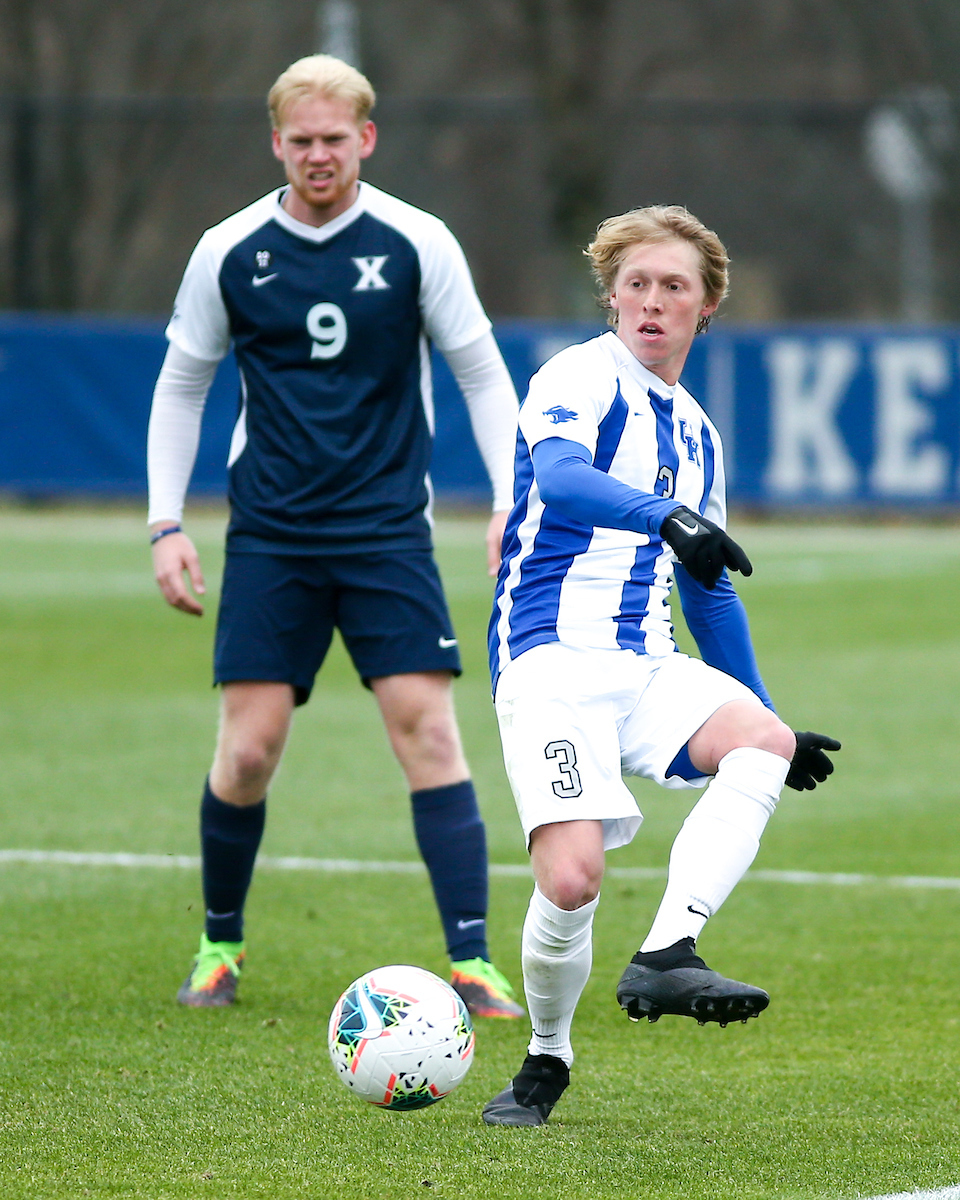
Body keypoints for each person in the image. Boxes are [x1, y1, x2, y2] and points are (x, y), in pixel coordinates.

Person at [146, 54, 524, 1018]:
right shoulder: (228, 249)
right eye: (301, 140)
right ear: (276, 142)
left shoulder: (416, 240)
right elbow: (183, 385)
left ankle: (473, 963)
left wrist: (512, 500)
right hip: (271, 533)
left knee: (428, 730)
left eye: (336, 139)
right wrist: (166, 524)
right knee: (248, 753)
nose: (320, 156)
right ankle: (218, 947)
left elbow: (481, 374)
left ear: (368, 137)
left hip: (388, 530)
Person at [480, 205, 840, 1125]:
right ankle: (546, 1060)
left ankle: (669, 953)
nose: (651, 301)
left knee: (760, 742)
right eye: (635, 284)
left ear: (707, 305)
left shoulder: (699, 434)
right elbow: (559, 478)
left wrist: (769, 712)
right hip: (549, 661)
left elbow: (709, 586)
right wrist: (664, 516)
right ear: (610, 297)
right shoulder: (577, 376)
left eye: (673, 286)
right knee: (570, 882)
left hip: (645, 665)